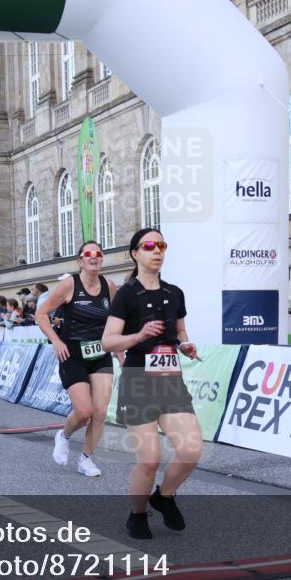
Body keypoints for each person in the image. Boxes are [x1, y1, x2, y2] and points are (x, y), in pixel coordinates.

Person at [102, 228, 203, 540]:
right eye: (149, 246)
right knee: (149, 459)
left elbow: (181, 333)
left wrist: (185, 345)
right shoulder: (126, 294)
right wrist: (138, 336)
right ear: (135, 253)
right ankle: (137, 514)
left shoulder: (175, 293)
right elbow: (108, 341)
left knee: (191, 450)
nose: (157, 251)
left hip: (170, 381)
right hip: (138, 380)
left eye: (161, 245)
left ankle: (165, 496)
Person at [37, 240, 118, 478]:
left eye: (99, 253)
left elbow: (114, 321)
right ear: (80, 260)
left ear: (102, 259)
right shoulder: (68, 285)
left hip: (100, 353)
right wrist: (56, 340)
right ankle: (63, 435)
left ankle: (86, 458)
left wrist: (120, 350)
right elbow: (41, 314)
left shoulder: (109, 286)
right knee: (84, 411)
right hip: (71, 353)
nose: (94, 257)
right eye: (88, 253)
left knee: (101, 412)